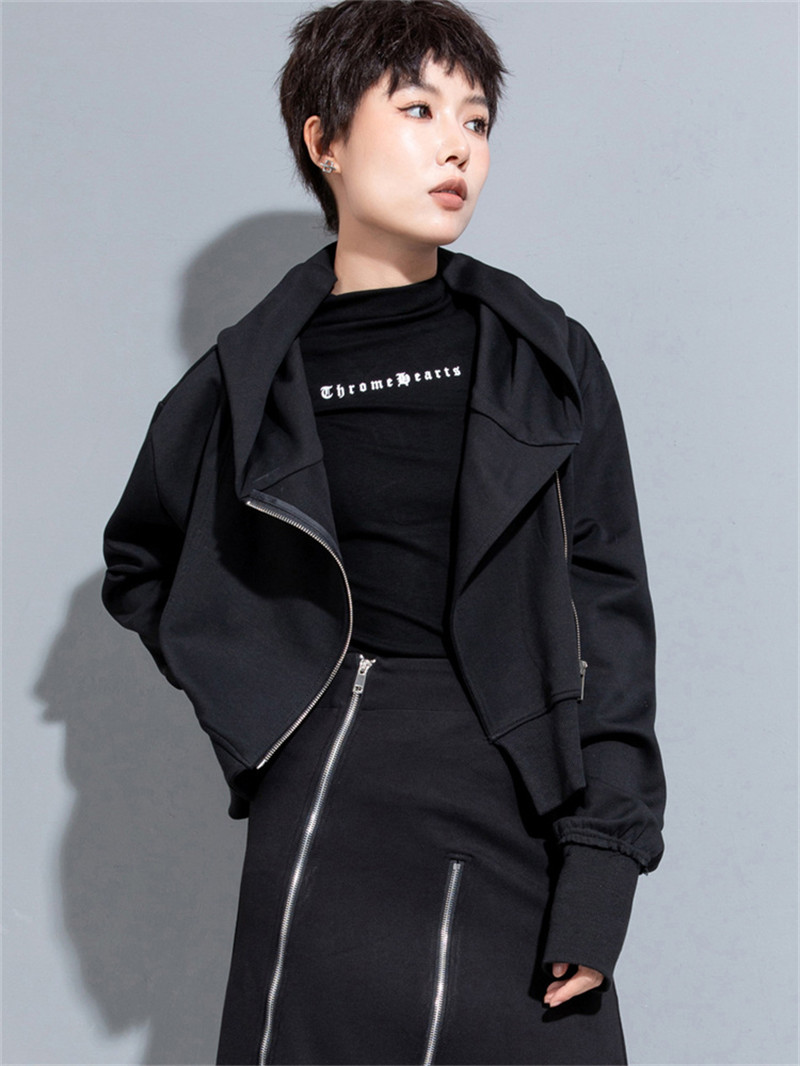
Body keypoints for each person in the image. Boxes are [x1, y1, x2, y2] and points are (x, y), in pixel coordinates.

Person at [101, 1, 666, 1063]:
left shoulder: (544, 358)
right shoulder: (248, 376)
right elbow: (142, 562)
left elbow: (609, 613)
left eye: (476, 119)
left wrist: (601, 863)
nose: (458, 146)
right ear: (323, 140)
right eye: (418, 110)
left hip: (518, 791)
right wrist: (272, 701)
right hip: (332, 801)